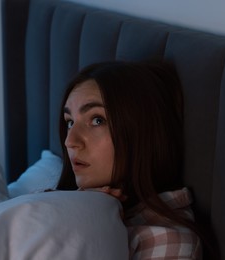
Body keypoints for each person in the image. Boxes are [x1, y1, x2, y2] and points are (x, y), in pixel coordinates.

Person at [55, 61, 212, 259]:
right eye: (70, 122)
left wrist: (92, 219)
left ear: (142, 132)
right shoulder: (65, 201)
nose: (70, 142)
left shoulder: (166, 240)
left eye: (97, 120)